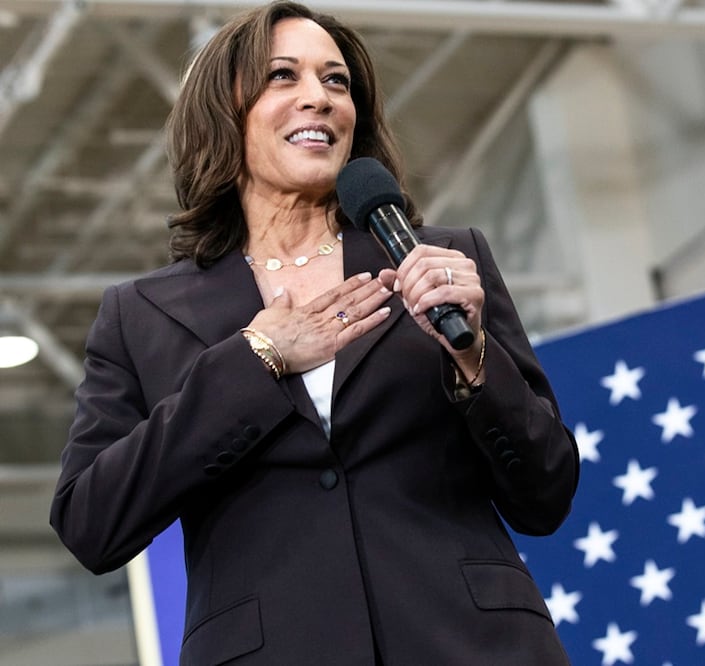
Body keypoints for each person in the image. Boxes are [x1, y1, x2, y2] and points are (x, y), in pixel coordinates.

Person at [49, 2, 579, 664]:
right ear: (224, 111)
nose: (318, 99)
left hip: (472, 643)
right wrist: (255, 359)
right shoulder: (140, 315)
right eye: (282, 76)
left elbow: (546, 492)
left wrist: (473, 355)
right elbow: (91, 524)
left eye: (336, 82)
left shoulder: (439, 260)